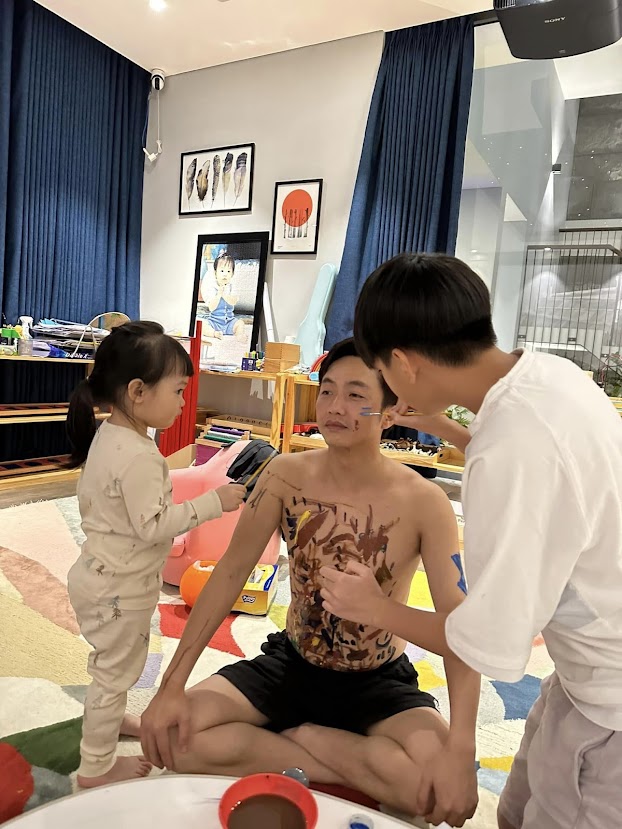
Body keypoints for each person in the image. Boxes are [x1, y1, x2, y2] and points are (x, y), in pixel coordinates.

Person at [321, 253, 622, 829]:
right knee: (515, 812)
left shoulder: (507, 457)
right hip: (582, 674)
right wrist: (441, 425)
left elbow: (488, 640)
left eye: (376, 376)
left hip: (609, 706)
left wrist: (375, 608)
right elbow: (531, 456)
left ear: (403, 364)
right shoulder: (548, 374)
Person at [140, 338, 480, 827]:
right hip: (292, 666)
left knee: (437, 790)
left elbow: (463, 630)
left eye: (356, 394)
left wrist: (462, 749)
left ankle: (311, 739)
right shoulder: (283, 475)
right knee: (173, 739)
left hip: (379, 683)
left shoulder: (425, 502)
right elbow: (230, 573)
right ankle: (324, 758)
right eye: (327, 391)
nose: (336, 407)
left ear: (390, 412)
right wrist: (171, 686)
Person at [65, 321, 246, 789]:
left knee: (115, 666)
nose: (184, 402)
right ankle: (95, 768)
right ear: (138, 391)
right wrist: (214, 502)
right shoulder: (140, 456)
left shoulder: (112, 435)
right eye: (179, 391)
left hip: (101, 576)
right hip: (118, 590)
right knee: (114, 673)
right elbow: (155, 525)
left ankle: (110, 718)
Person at [201, 251, 245, 339]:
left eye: (228, 271)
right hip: (214, 322)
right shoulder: (213, 287)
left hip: (230, 322)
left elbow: (233, 301)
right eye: (222, 271)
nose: (225, 274)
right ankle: (215, 333)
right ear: (215, 273)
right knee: (202, 325)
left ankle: (239, 335)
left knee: (240, 323)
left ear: (232, 274)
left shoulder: (232, 287)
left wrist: (225, 295)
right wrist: (218, 295)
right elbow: (211, 307)